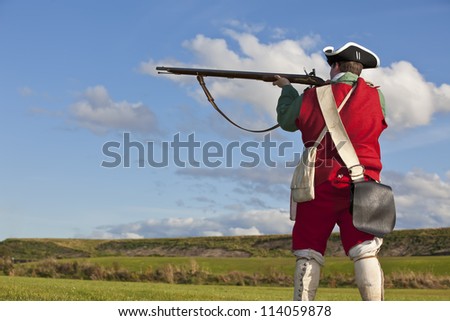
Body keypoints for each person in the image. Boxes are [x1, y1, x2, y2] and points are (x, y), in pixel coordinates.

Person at [273, 42, 387, 301]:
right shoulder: (377, 96)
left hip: (318, 184)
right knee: (365, 250)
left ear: (335, 66)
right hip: (365, 183)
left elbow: (287, 121)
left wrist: (287, 89)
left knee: (308, 250)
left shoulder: (314, 95)